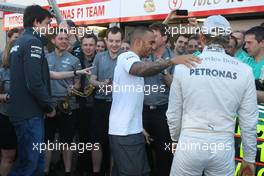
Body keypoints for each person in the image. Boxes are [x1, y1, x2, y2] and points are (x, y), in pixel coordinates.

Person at [167, 15, 258, 176]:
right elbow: (249, 120)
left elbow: (173, 113)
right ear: (228, 39)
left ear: (202, 37)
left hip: (190, 141)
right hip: (223, 145)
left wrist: (175, 139)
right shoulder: (244, 70)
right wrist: (249, 158)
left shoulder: (183, 67)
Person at [108, 26, 200, 176]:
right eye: (150, 43)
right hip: (125, 132)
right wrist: (171, 61)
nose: (152, 46)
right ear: (138, 42)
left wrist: (139, 128)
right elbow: (140, 69)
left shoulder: (134, 59)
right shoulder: (126, 57)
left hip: (131, 130)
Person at [8, 5, 55, 176]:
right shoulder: (32, 42)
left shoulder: (20, 41)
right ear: (36, 22)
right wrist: (49, 106)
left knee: (36, 163)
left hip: (26, 113)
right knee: (29, 164)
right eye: (47, 23)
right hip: (29, 115)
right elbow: (34, 82)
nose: (48, 28)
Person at [45, 29, 81, 176]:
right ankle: (45, 170)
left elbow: (78, 83)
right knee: (47, 141)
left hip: (67, 105)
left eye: (66, 39)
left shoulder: (74, 60)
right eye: (60, 39)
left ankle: (67, 172)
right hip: (49, 106)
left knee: (67, 141)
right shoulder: (45, 58)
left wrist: (74, 87)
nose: (64, 41)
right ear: (54, 41)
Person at [90, 26, 123, 175]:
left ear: (121, 41)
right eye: (111, 41)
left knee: (115, 143)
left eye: (117, 41)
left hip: (118, 105)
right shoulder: (99, 57)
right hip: (100, 103)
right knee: (96, 142)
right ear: (106, 41)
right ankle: (96, 172)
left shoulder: (126, 58)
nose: (114, 44)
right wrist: (101, 84)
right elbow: (92, 80)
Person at [143, 23, 174, 176]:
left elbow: (175, 86)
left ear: (164, 38)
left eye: (154, 36)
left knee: (164, 152)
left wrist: (163, 68)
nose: (151, 39)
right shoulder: (143, 54)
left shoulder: (174, 58)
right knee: (144, 150)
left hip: (164, 112)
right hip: (143, 110)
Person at [73, 33, 98, 176]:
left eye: (91, 45)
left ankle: (97, 169)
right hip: (80, 106)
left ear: (95, 46)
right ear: (81, 46)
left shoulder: (100, 60)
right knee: (82, 139)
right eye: (85, 45)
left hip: (97, 106)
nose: (88, 48)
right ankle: (82, 167)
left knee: (96, 140)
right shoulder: (76, 61)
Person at [0, 40, 17, 176]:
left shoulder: (29, 70)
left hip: (27, 119)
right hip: (7, 118)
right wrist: (7, 97)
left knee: (28, 156)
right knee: (8, 157)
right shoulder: (2, 72)